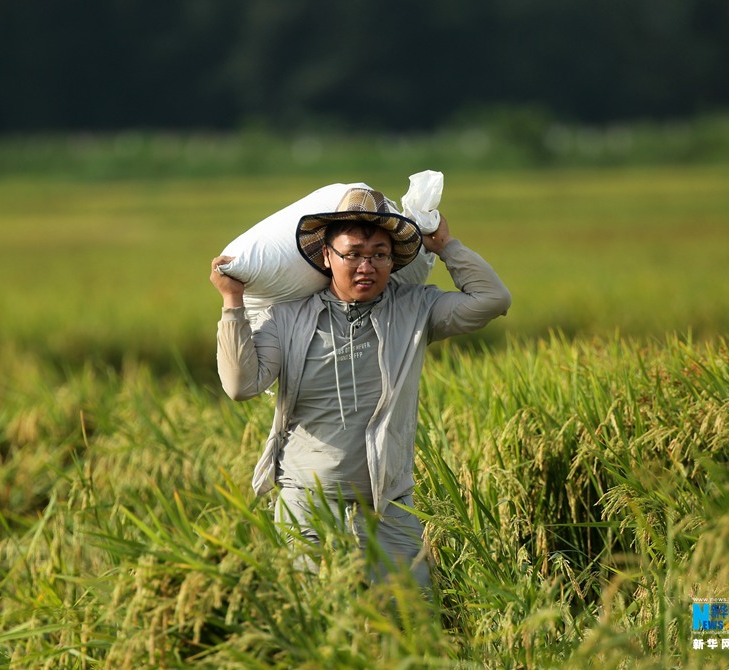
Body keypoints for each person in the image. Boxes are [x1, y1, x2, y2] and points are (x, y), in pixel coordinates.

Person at [209, 187, 511, 589]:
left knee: (411, 623)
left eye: (379, 255)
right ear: (327, 257)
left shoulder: (416, 309)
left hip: (388, 502)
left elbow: (492, 299)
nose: (366, 266)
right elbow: (240, 385)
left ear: (393, 260)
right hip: (305, 502)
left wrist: (445, 246)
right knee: (317, 628)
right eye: (352, 254)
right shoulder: (287, 318)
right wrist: (232, 302)